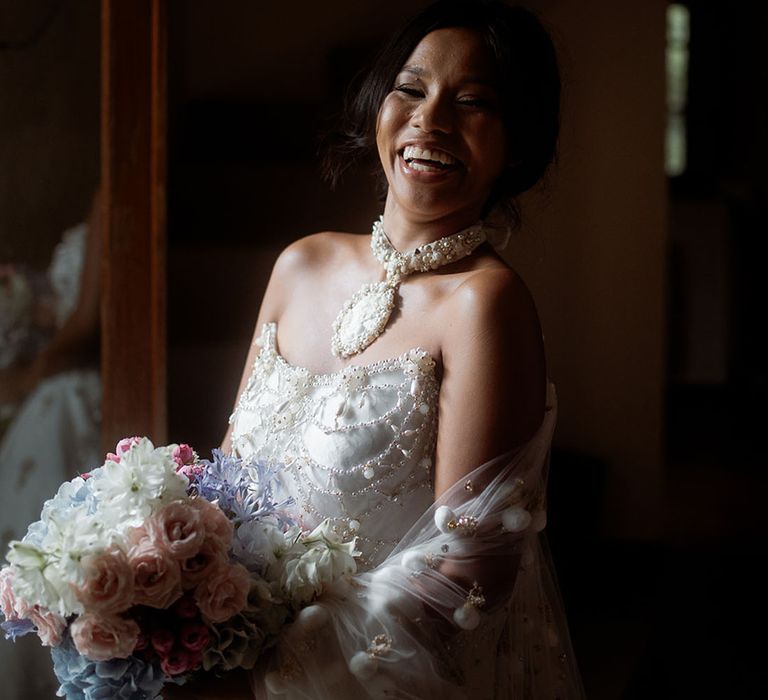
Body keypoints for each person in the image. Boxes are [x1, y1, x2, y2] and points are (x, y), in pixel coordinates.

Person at [180, 1, 583, 697]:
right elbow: (227, 481)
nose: (431, 121)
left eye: (473, 101)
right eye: (411, 88)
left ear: (517, 143)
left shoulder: (485, 305)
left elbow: (471, 571)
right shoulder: (299, 265)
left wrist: (280, 650)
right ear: (377, 106)